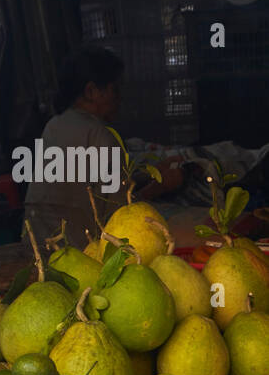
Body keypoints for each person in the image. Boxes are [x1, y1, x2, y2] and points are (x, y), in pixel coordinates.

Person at [26, 47, 183, 246]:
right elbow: (121, 216)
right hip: (78, 253)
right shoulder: (102, 135)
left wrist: (152, 173)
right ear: (91, 91)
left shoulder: (54, 125)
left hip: (36, 247)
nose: (120, 98)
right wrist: (160, 187)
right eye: (115, 89)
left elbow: (89, 186)